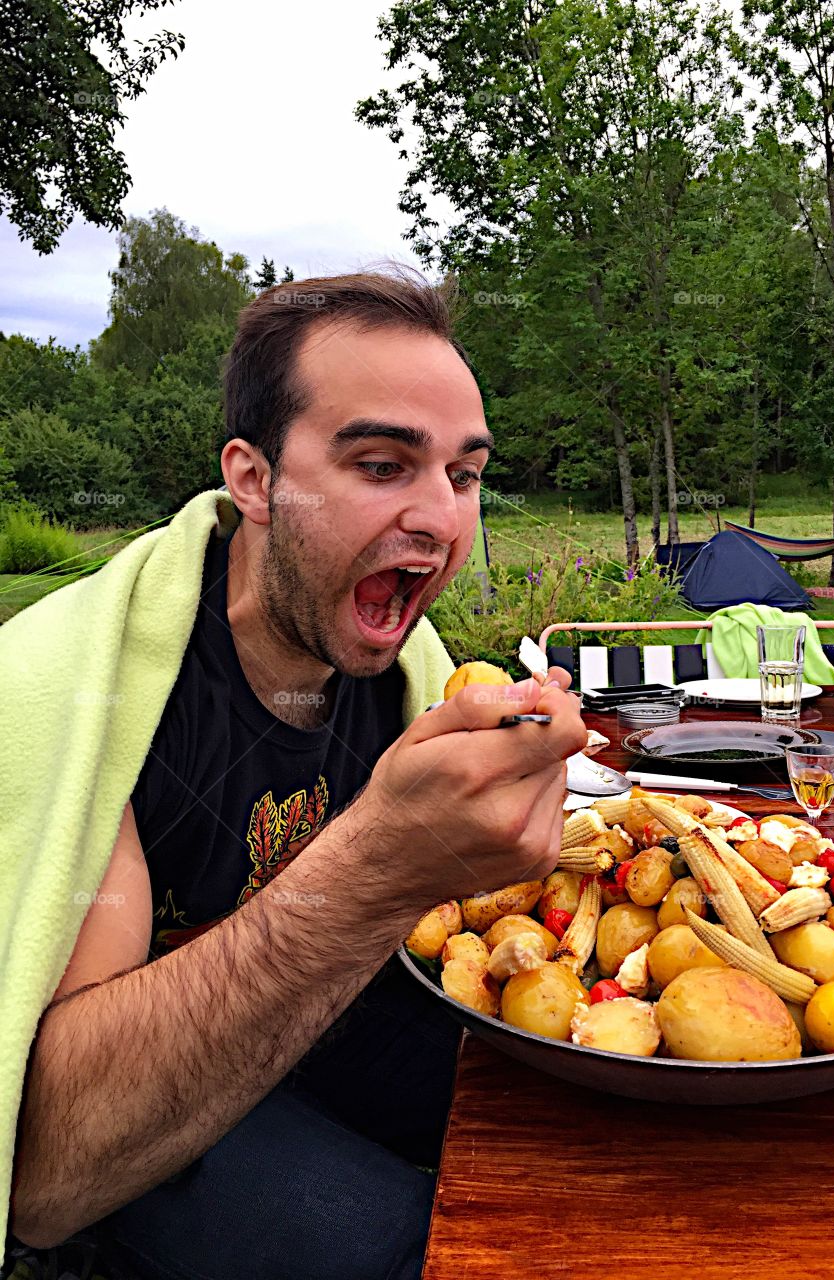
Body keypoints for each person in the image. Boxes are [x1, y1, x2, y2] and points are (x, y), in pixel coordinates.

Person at [7, 270, 585, 1280]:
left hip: (323, 1021)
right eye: (379, 463)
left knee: (584, 1123)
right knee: (415, 1246)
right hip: (143, 1112)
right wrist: (371, 870)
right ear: (254, 478)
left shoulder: (405, 670)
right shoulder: (91, 697)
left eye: (462, 474)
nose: (442, 521)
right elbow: (51, 1165)